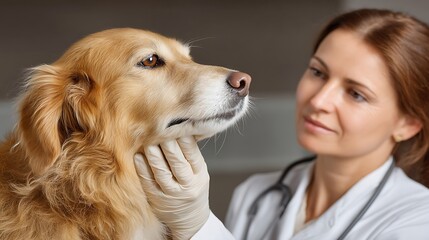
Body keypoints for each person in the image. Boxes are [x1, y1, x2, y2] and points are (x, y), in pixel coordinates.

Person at [134, 8, 429, 240]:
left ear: (408, 124)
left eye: (356, 94)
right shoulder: (257, 194)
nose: (319, 101)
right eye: (318, 72)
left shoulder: (417, 221)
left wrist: (199, 228)